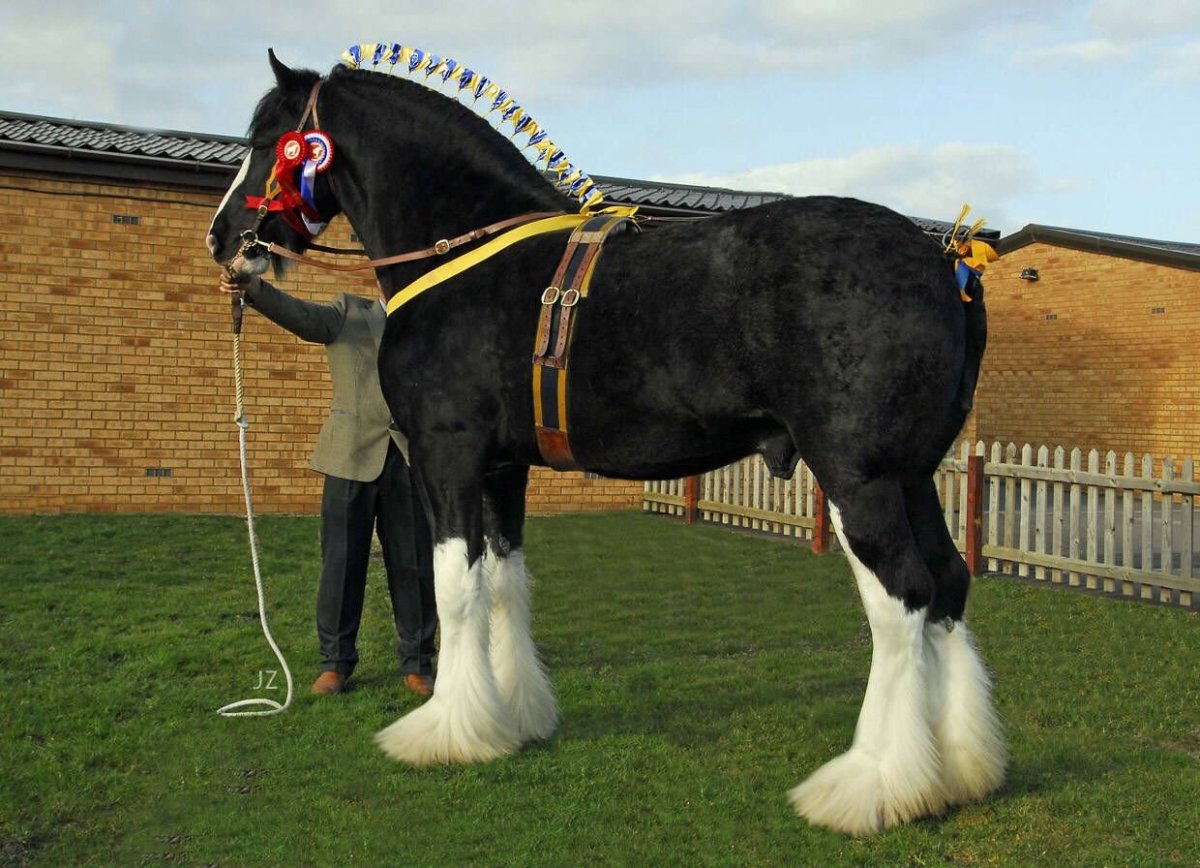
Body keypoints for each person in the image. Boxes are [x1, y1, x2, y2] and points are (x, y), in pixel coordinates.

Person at [219, 271, 437, 698]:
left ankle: (417, 663)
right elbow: (302, 316)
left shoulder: (430, 322)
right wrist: (255, 289)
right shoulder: (348, 312)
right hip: (348, 456)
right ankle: (335, 664)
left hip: (411, 460)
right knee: (341, 563)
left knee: (414, 564)